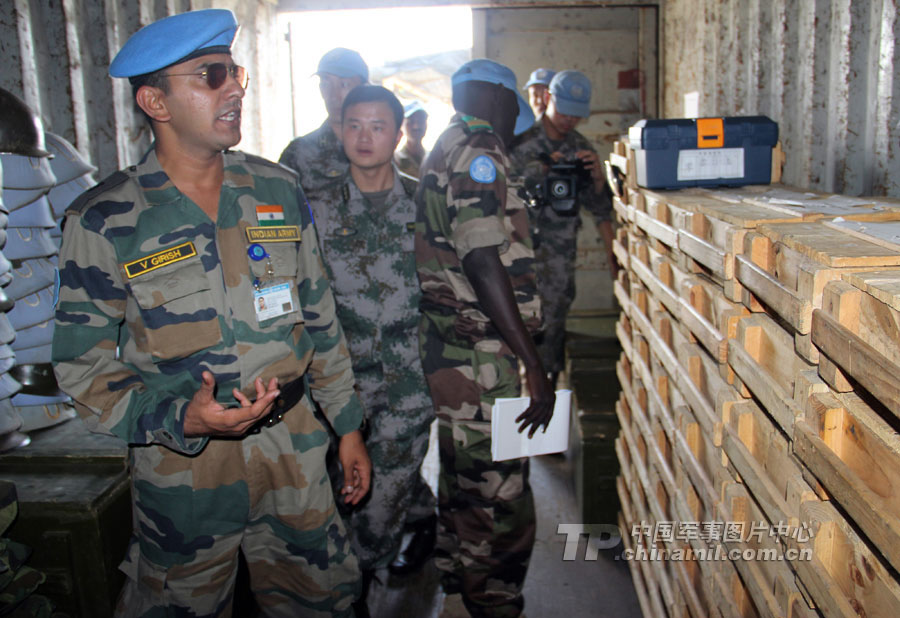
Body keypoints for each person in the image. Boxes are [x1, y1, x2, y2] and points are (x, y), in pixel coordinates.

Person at [50, 10, 370, 616]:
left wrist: (348, 426)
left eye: (235, 74)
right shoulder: (105, 218)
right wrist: (182, 419)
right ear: (156, 102)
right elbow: (81, 367)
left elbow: (320, 320)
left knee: (321, 600)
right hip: (183, 473)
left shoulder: (277, 191)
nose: (234, 90)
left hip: (294, 451)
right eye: (210, 75)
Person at [415, 58, 554, 618]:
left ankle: (457, 582)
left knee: (463, 478)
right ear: (497, 98)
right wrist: (532, 363)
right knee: (500, 495)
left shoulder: (446, 145)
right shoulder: (479, 151)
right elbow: (481, 258)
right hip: (484, 358)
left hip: (453, 351)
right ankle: (491, 602)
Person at [306, 85, 437, 612]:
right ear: (339, 130)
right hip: (338, 393)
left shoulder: (427, 207)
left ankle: (364, 583)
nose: (364, 137)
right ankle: (348, 582)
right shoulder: (311, 209)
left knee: (384, 503)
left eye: (377, 126)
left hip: (410, 390)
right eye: (353, 124)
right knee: (335, 498)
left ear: (398, 133)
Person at [509, 70, 615, 388]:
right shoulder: (520, 137)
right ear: (548, 98)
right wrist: (538, 170)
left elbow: (599, 208)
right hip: (515, 256)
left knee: (552, 333)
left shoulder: (580, 148)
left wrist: (597, 179)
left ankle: (545, 402)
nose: (569, 120)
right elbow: (496, 187)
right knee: (510, 333)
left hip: (556, 262)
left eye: (577, 115)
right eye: (564, 110)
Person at [279, 48, 368, 198]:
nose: (334, 96)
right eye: (326, 84)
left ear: (365, 89)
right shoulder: (298, 154)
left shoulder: (379, 147)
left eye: (344, 84)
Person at [394, 100, 428, 178]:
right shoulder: (395, 160)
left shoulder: (433, 159)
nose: (416, 126)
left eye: (421, 121)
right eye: (411, 122)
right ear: (402, 125)